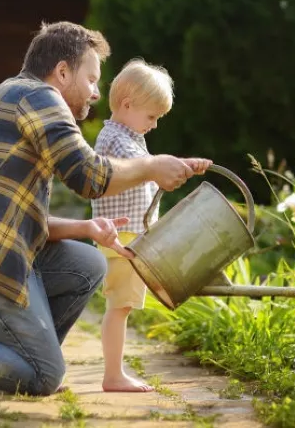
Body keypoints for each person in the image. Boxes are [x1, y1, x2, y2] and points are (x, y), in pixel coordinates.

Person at [0, 21, 210, 396]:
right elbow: (88, 176)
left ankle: (26, 360)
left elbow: (15, 218)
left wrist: (86, 229)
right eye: (91, 80)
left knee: (89, 262)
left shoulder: (8, 98)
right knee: (45, 377)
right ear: (62, 72)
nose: (95, 93)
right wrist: (152, 167)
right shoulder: (42, 98)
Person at [92, 60, 211, 392]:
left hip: (130, 236)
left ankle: (114, 372)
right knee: (120, 306)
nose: (155, 125)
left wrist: (182, 166)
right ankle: (113, 375)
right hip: (124, 238)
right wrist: (173, 166)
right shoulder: (115, 140)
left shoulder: (125, 136)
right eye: (152, 117)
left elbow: (152, 170)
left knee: (122, 305)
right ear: (127, 105)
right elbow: (144, 168)